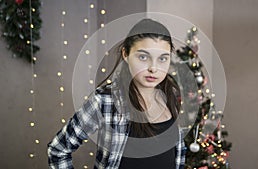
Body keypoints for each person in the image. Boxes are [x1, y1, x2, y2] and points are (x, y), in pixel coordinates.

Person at [47, 18, 186, 169]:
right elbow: (58, 150)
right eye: (143, 57)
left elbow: (177, 154)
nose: (153, 68)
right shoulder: (105, 101)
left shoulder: (171, 95)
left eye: (162, 59)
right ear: (126, 54)